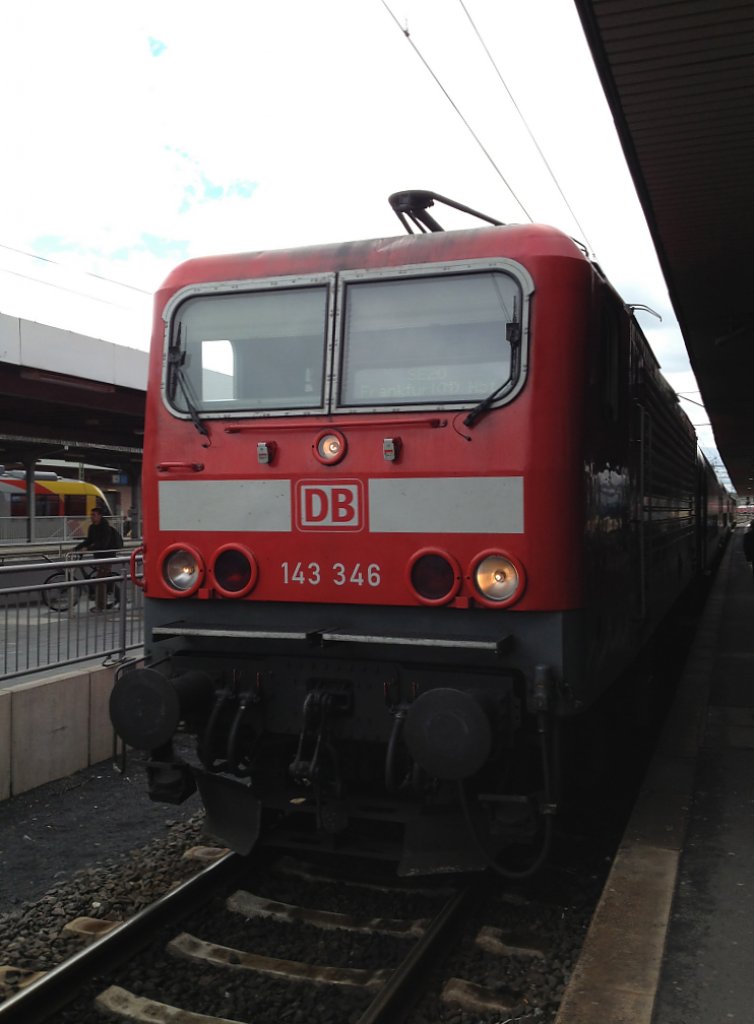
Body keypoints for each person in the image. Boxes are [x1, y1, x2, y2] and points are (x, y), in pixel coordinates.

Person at [74, 506, 123, 610]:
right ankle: (121, 598)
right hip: (99, 556)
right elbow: (89, 540)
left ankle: (100, 606)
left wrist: (88, 549)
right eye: (91, 515)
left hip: (107, 556)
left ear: (100, 516)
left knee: (100, 580)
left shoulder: (105, 528)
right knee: (108, 579)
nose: (92, 517)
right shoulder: (92, 527)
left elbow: (103, 544)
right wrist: (77, 548)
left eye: (94, 515)